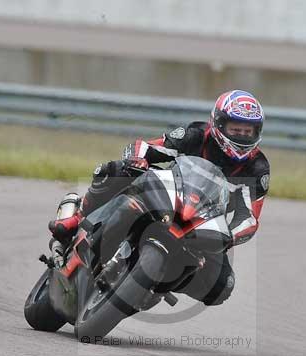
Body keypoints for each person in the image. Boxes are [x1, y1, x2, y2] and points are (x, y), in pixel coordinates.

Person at [49, 89, 270, 306]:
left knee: (223, 285)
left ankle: (160, 283)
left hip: (201, 223)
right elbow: (146, 147)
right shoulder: (195, 136)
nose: (242, 135)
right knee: (119, 170)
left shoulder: (257, 168)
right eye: (236, 129)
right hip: (166, 197)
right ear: (219, 124)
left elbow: (249, 217)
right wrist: (138, 160)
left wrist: (228, 236)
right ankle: (78, 218)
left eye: (247, 131)